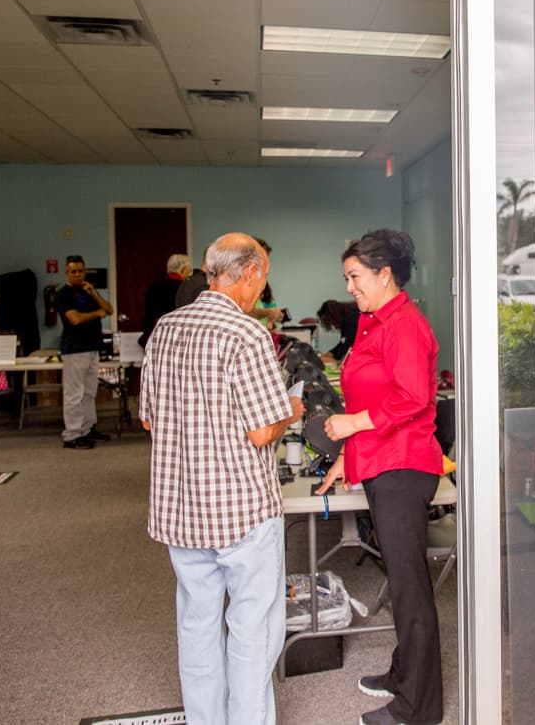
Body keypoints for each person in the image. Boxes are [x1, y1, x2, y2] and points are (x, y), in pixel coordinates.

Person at [140, 232, 304, 725]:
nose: (262, 288)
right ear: (249, 273)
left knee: (197, 626)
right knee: (253, 629)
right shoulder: (246, 333)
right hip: (241, 511)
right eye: (264, 276)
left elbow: (149, 419)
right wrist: (291, 411)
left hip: (181, 509)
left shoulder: (165, 328)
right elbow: (261, 432)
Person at [317, 228, 444, 725]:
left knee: (411, 588)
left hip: (404, 467)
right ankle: (403, 674)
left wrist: (353, 424)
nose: (349, 287)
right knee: (401, 579)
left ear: (384, 274)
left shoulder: (405, 324)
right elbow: (372, 394)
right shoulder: (374, 322)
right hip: (381, 461)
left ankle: (419, 709)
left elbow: (412, 397)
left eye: (355, 276)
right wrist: (350, 452)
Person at [57, 255, 113, 450]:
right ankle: (72, 434)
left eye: (81, 270)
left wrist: (95, 295)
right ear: (67, 273)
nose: (78, 274)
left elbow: (109, 310)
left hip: (92, 347)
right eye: (73, 271)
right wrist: (96, 314)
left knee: (90, 392)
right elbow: (74, 319)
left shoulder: (88, 291)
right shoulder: (64, 294)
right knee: (75, 394)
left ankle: (87, 428)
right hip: (74, 349)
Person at [139, 253, 191, 348]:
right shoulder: (185, 289)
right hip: (175, 340)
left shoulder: (153, 288)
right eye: (189, 271)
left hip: (154, 338)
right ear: (183, 270)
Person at [250, 238, 287, 330]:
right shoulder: (241, 281)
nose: (266, 263)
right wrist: (268, 312)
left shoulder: (256, 281)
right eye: (263, 257)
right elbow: (241, 313)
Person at [316, 298, 360, 364]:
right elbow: (343, 342)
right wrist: (331, 352)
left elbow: (349, 345)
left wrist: (335, 359)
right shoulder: (345, 318)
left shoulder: (351, 319)